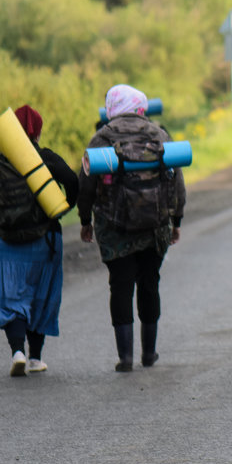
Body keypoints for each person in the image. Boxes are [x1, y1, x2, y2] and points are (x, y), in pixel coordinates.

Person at [0, 105, 78, 376]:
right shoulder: (46, 158)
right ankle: (36, 358)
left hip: (3, 240)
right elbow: (73, 181)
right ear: (38, 130)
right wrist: (61, 208)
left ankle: (17, 352)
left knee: (12, 298)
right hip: (44, 241)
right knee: (39, 296)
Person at [79, 85, 186, 372]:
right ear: (142, 106)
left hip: (115, 228)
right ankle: (149, 353)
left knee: (121, 286)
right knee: (150, 283)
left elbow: (86, 183)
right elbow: (177, 181)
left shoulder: (102, 136)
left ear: (112, 107)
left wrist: (85, 221)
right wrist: (176, 220)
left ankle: (125, 357)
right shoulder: (159, 134)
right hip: (155, 226)